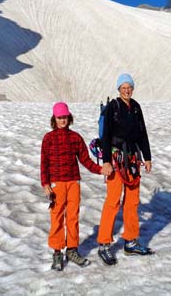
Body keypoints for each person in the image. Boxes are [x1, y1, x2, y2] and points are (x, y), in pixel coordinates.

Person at [97, 73, 153, 265]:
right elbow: (105, 137)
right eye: (124, 87)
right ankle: (104, 244)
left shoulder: (136, 107)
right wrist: (106, 162)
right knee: (113, 200)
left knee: (132, 201)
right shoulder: (113, 107)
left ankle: (131, 240)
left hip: (132, 160)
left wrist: (147, 157)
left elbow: (143, 133)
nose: (127, 90)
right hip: (115, 159)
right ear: (119, 89)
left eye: (129, 87)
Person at [40, 101, 103, 271]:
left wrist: (100, 170)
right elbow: (44, 163)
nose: (63, 120)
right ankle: (57, 253)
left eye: (65, 117)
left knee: (73, 217)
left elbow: (86, 160)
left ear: (69, 117)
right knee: (57, 218)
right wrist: (45, 184)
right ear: (55, 118)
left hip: (74, 182)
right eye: (60, 117)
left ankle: (72, 250)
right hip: (56, 184)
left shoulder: (76, 138)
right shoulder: (48, 138)